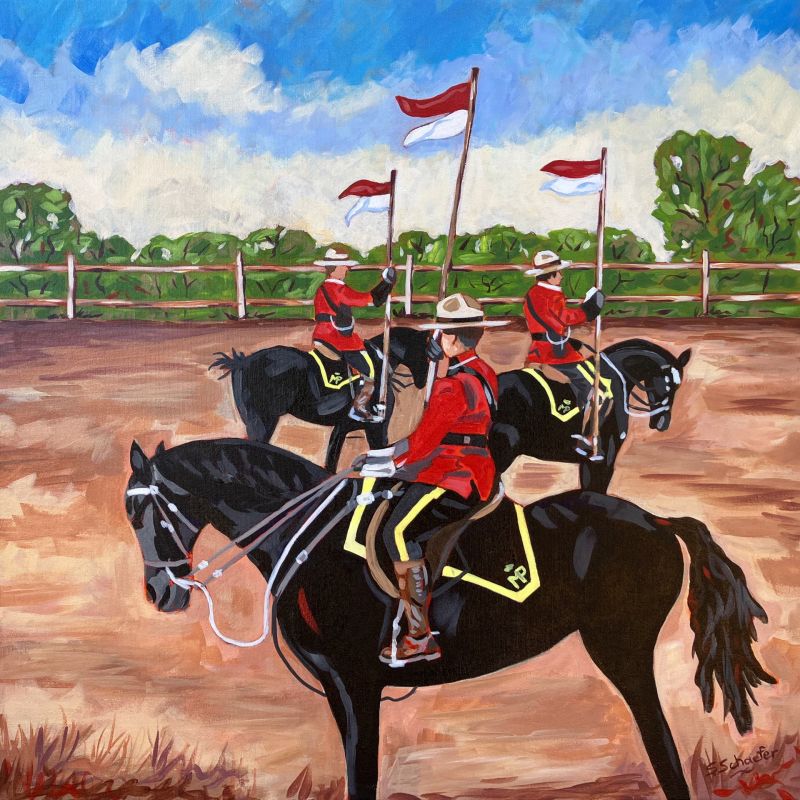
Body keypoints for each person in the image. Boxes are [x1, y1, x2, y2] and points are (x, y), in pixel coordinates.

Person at [356, 293, 508, 666]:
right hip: (463, 464)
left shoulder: (452, 385)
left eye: (440, 333)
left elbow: (424, 443)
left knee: (395, 532)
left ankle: (419, 635)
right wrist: (384, 455)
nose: (435, 340)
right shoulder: (482, 372)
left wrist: (388, 464)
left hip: (455, 475)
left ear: (453, 339)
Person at [523, 250, 606, 458]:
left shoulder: (535, 293)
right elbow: (563, 318)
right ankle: (585, 435)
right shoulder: (548, 294)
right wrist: (589, 309)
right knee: (594, 389)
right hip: (555, 354)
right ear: (550, 275)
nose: (561, 276)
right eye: (558, 273)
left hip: (542, 349)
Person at [312, 247, 395, 421]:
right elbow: (372, 300)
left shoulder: (321, 289)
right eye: (344, 267)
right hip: (337, 340)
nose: (347, 270)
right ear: (335, 268)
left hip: (320, 336)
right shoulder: (340, 290)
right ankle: (359, 407)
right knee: (369, 370)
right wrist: (386, 282)